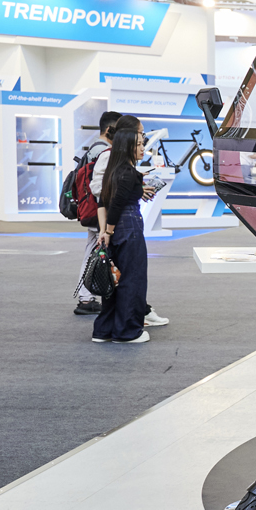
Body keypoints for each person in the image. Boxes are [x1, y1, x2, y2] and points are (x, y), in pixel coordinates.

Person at [92, 117, 154, 344]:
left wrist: (104, 231)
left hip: (116, 227)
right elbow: (117, 204)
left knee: (113, 279)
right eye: (139, 144)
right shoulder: (127, 172)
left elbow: (102, 202)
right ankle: (127, 331)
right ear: (128, 146)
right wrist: (107, 232)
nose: (143, 148)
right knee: (131, 279)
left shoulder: (113, 170)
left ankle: (104, 330)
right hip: (128, 227)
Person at [73, 111, 120, 315]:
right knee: (98, 252)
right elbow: (100, 186)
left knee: (92, 251)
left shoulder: (94, 149)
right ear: (109, 129)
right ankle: (88, 297)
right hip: (99, 210)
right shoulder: (103, 151)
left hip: (93, 210)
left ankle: (87, 297)